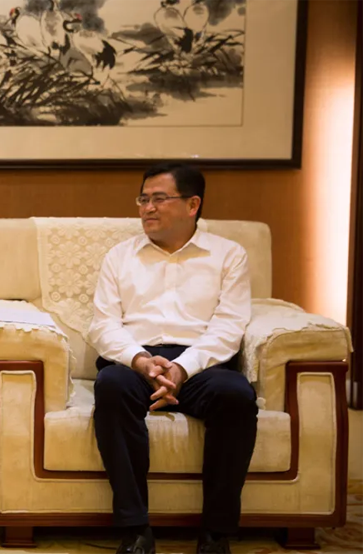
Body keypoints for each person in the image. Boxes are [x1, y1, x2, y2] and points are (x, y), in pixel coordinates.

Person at [87, 163, 257, 554]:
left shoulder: (228, 255)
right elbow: (103, 325)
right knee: (110, 387)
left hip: (201, 365)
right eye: (143, 199)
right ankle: (135, 529)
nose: (147, 208)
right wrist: (141, 361)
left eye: (159, 199)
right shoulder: (120, 256)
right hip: (135, 360)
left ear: (192, 205)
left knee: (236, 395)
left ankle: (215, 533)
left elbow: (229, 326)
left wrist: (182, 368)